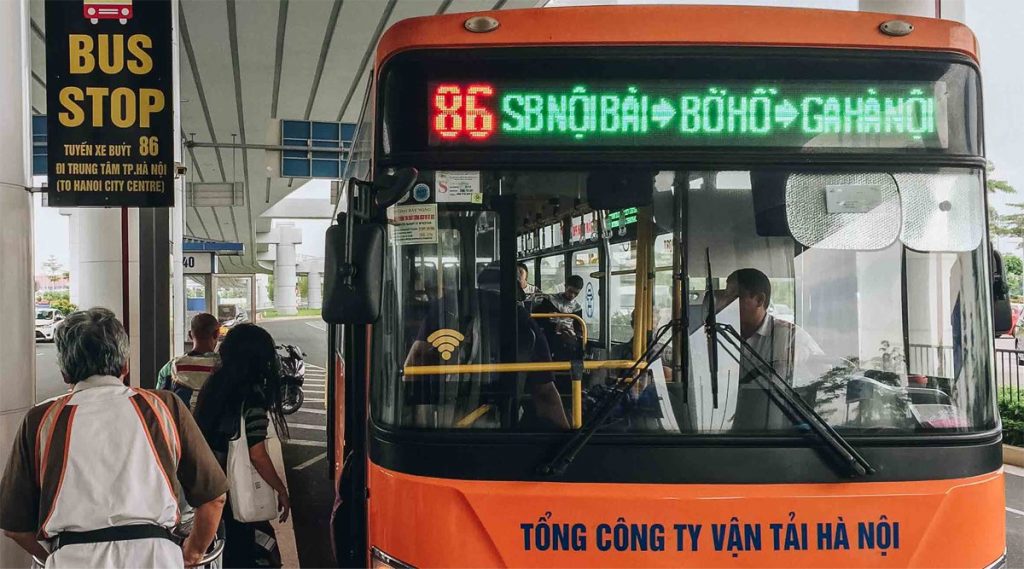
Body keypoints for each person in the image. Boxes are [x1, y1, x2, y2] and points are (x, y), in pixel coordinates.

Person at [0, 308, 227, 567]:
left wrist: (53, 559)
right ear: (125, 365)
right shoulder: (164, 407)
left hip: (73, 558)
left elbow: (14, 527)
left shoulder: (40, 419)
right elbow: (214, 497)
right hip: (156, 557)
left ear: (64, 372)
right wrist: (192, 553)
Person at [192, 323, 291, 568]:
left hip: (211, 485)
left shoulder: (214, 385)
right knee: (246, 550)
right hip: (236, 491)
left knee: (226, 550)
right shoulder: (252, 394)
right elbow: (256, 454)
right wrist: (281, 489)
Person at [715, 269, 825, 431]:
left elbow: (826, 376)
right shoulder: (720, 334)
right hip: (720, 426)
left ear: (759, 299)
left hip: (773, 429)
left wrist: (804, 354)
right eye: (726, 295)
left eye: (735, 296)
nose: (726, 302)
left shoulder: (789, 336)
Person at [156, 313, 221, 409]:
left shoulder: (170, 368)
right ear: (216, 334)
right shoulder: (223, 366)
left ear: (190, 334)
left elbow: (159, 402)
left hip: (180, 422)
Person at [533, 274, 586, 360]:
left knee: (576, 345)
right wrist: (555, 327)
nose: (572, 295)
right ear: (565, 286)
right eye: (570, 291)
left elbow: (579, 327)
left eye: (576, 293)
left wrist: (574, 333)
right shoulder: (550, 300)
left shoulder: (577, 308)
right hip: (549, 333)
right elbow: (538, 320)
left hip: (568, 336)